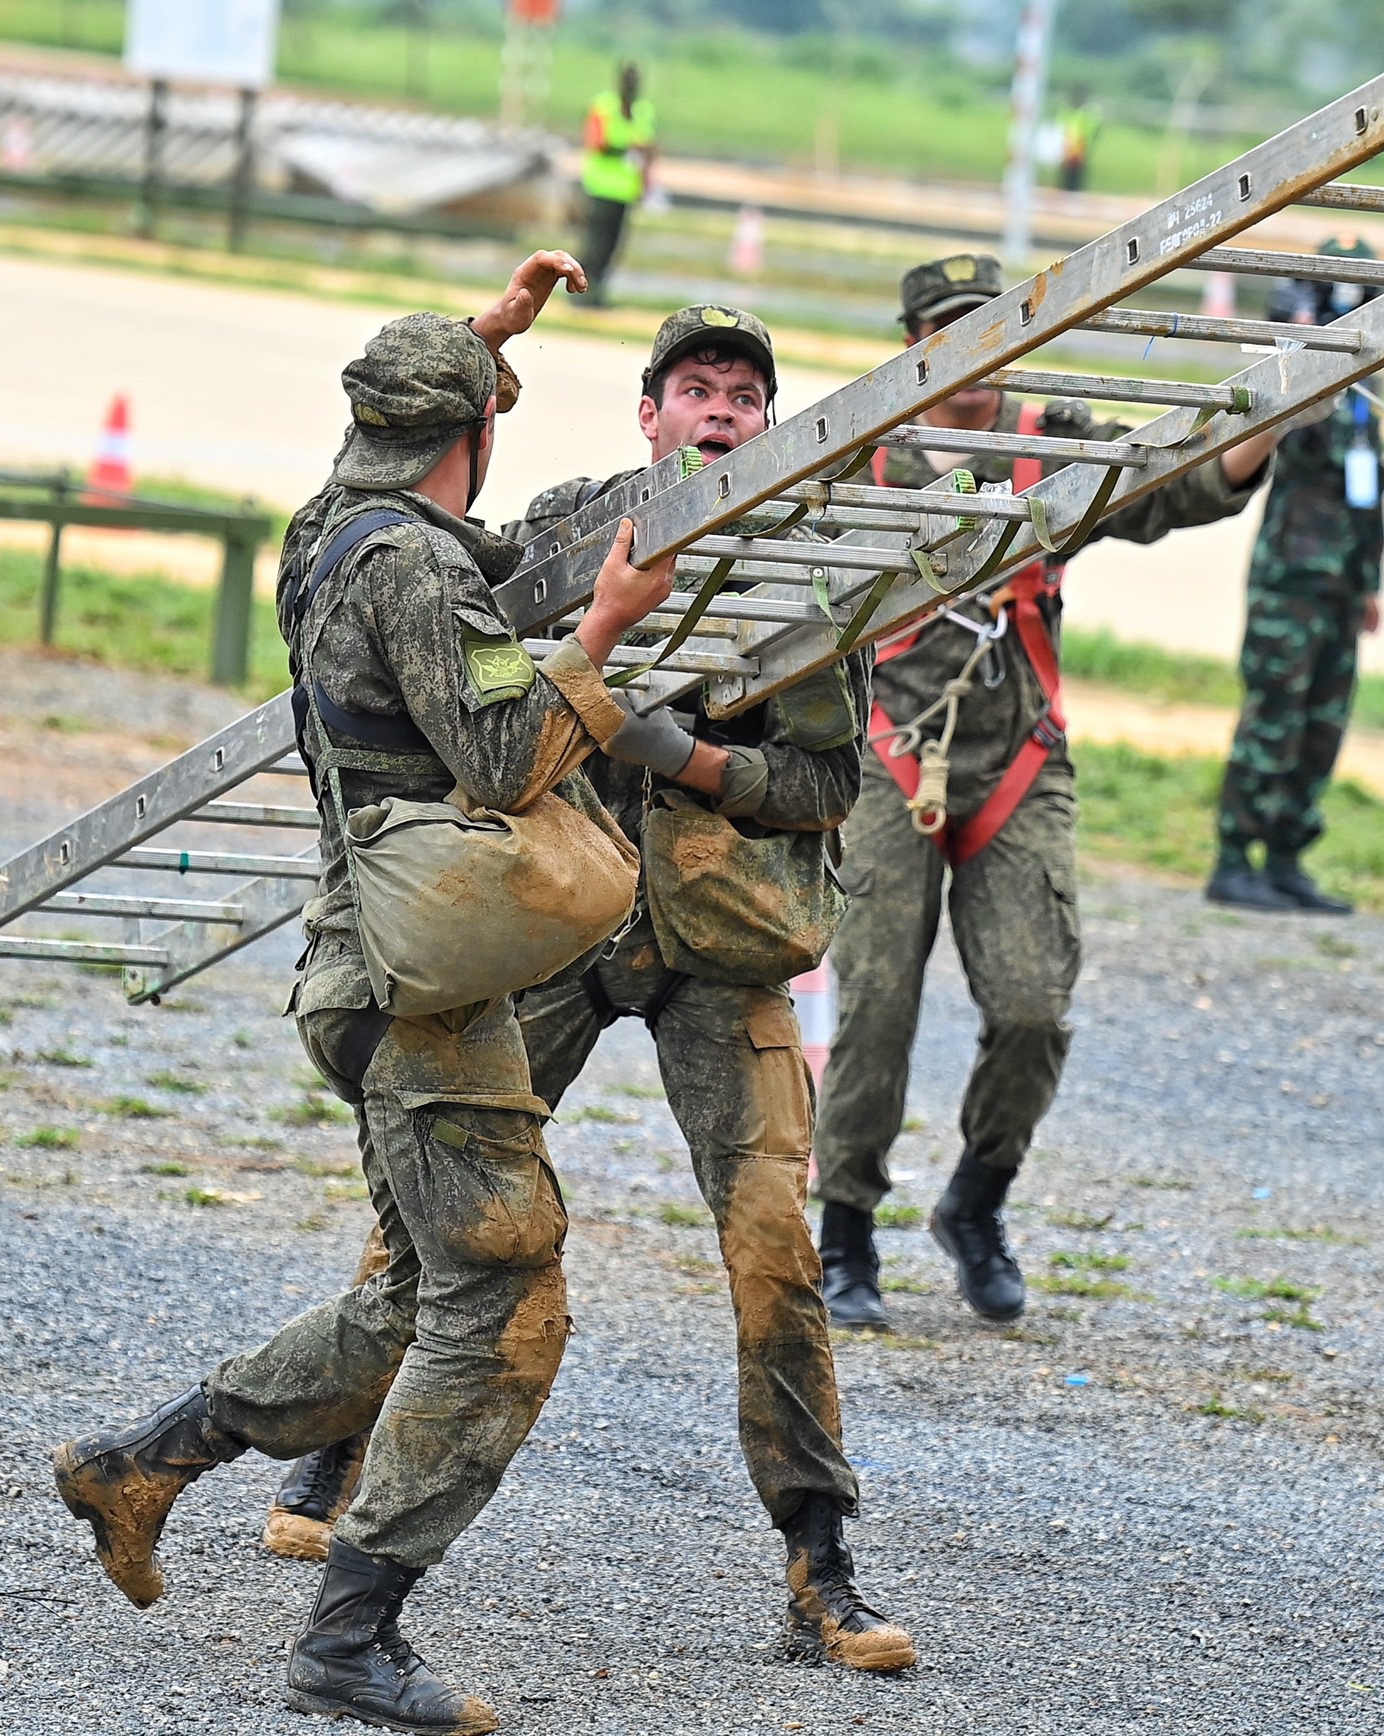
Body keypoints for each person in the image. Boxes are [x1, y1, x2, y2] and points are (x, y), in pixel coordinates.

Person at [48, 251, 685, 1736]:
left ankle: (139, 1464)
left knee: (414, 1293)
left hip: (379, 965)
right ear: (467, 439)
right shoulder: (416, 565)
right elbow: (508, 761)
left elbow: (394, 447)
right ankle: (350, 1639)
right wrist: (605, 627)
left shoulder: (327, 530)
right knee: (505, 1294)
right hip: (420, 979)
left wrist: (475, 341)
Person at [262, 304, 915, 1676]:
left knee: (772, 1253)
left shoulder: (807, 561)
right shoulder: (572, 527)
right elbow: (441, 612)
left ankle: (821, 1566)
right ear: (650, 414)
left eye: (746, 389)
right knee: (441, 1206)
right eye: (696, 386)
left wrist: (687, 758)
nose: (722, 407)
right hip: (562, 923)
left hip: (717, 940)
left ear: (772, 419)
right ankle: (328, 1468)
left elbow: (826, 786)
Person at [811, 253, 1283, 1331]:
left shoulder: (1049, 436)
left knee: (1033, 1002)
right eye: (947, 333)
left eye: (992, 332)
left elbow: (1181, 486)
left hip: (1016, 759)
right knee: (877, 1002)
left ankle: (976, 1199)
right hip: (889, 753)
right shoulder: (858, 454)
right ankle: (844, 1228)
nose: (972, 358)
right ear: (911, 343)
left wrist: (1272, 407)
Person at [1209, 236, 1384, 916]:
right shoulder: (1297, 375)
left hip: (1341, 585)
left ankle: (1286, 857)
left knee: (1322, 726)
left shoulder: (1370, 390)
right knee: (1272, 721)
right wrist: (1304, 337)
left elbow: (1367, 497)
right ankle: (1235, 858)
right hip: (1289, 582)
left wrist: (1370, 580)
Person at [578, 62, 656, 307]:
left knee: (614, 245)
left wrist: (645, 183)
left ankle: (599, 291)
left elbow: (648, 151)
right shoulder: (604, 107)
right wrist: (628, 146)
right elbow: (595, 141)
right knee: (595, 243)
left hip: (625, 190)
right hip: (601, 186)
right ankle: (581, 292)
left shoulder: (644, 111)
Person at [1056, 87, 1100, 193]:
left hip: (1080, 149)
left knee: (1075, 178)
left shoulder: (1087, 113)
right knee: (1065, 179)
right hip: (1067, 150)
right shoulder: (1067, 112)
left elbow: (1091, 132)